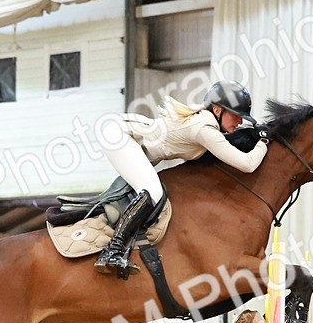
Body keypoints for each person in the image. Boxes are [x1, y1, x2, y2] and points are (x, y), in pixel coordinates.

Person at [95, 80, 271, 278]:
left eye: (241, 118)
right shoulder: (204, 129)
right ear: (217, 110)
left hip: (130, 134)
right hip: (120, 136)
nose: (239, 122)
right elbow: (247, 164)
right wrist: (264, 141)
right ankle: (113, 250)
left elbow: (235, 135)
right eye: (236, 116)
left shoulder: (209, 121)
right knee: (153, 192)